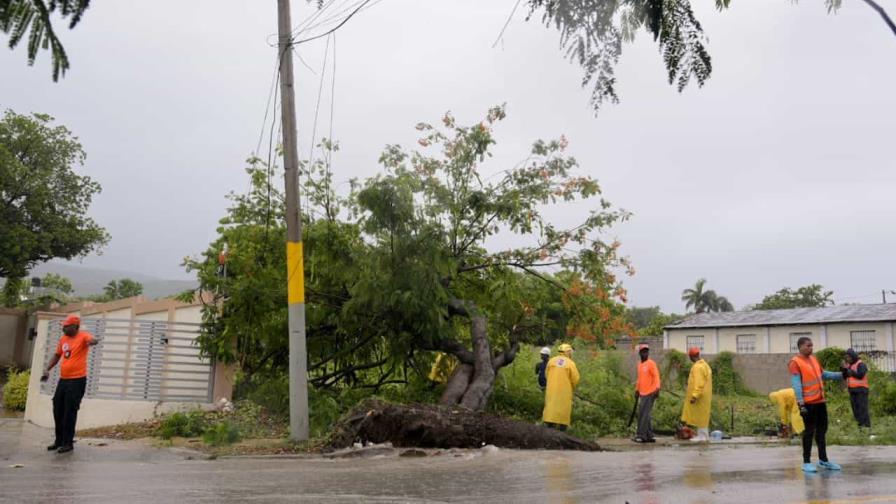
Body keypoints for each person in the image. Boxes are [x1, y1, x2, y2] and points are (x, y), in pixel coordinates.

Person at [40, 314, 100, 454]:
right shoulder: (63, 339)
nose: (64, 328)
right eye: (64, 326)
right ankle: (59, 441)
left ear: (76, 326)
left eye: (67, 326)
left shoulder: (83, 336)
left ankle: (68, 443)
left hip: (77, 380)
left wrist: (93, 341)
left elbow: (91, 340)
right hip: (64, 379)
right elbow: (57, 355)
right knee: (57, 408)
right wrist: (47, 369)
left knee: (69, 411)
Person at [789, 336, 843, 473]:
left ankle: (823, 460)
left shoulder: (813, 359)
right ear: (800, 346)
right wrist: (801, 404)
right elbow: (796, 384)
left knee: (822, 431)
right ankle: (806, 462)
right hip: (808, 403)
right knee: (808, 432)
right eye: (808, 345)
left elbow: (823, 374)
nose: (811, 348)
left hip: (820, 401)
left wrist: (841, 375)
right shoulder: (795, 362)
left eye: (812, 345)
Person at [542, 343, 580, 431]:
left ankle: (549, 427)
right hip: (564, 393)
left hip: (551, 391)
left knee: (550, 409)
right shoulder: (570, 363)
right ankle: (562, 431)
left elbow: (546, 374)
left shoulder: (551, 361)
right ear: (568, 352)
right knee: (563, 411)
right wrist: (572, 387)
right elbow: (575, 379)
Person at [680, 347, 712, 442]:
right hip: (704, 395)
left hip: (700, 396)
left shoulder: (698, 367)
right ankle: (703, 435)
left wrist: (695, 395)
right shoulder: (705, 365)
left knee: (700, 416)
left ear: (691, 356)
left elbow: (699, 383)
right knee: (702, 416)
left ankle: (702, 437)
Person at [634, 343, 661, 443]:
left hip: (651, 392)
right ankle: (650, 435)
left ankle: (641, 435)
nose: (645, 353)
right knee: (646, 414)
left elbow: (656, 376)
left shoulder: (651, 363)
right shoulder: (640, 365)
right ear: (640, 353)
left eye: (646, 351)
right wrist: (637, 390)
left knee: (643, 414)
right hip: (642, 393)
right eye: (643, 351)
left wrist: (657, 388)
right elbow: (639, 379)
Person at [841, 348, 871, 428]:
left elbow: (861, 375)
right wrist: (844, 369)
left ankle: (866, 428)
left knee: (862, 410)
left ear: (853, 356)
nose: (848, 359)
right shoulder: (849, 365)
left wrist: (850, 372)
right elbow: (845, 376)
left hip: (861, 390)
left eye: (849, 357)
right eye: (846, 357)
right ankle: (860, 428)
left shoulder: (861, 364)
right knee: (856, 411)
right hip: (852, 391)